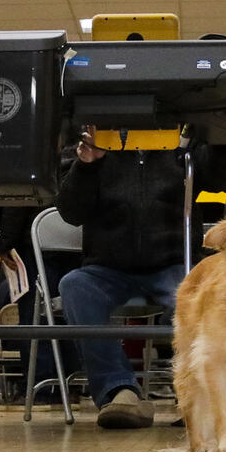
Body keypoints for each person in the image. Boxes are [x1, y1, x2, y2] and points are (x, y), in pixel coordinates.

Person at [57, 126, 186, 429]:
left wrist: (210, 137)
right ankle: (118, 390)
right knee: (75, 285)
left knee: (202, 290)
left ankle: (197, 395)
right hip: (108, 266)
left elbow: (221, 175)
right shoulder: (91, 134)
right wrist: (87, 164)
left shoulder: (181, 140)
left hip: (172, 261)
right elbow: (70, 212)